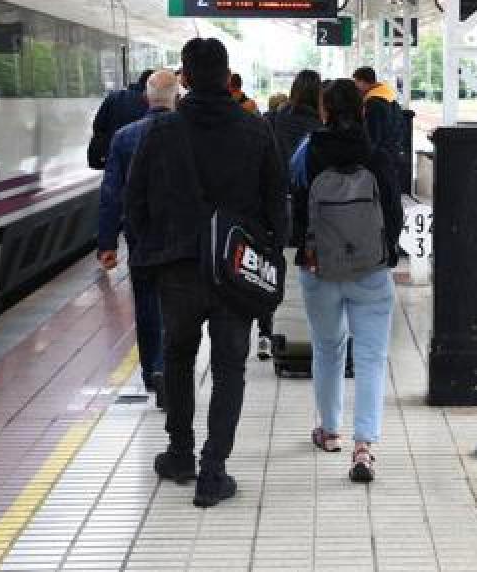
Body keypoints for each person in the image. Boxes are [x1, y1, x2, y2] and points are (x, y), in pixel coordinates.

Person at [125, 38, 287, 508]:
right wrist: (269, 256)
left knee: (177, 357)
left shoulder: (161, 131)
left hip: (177, 266)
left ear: (186, 78)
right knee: (229, 367)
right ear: (228, 75)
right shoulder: (255, 129)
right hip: (233, 267)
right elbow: (276, 201)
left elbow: (135, 199)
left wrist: (148, 252)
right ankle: (213, 471)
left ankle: (180, 454)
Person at [290, 78, 403, 484]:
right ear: (361, 110)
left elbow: (295, 206)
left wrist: (306, 250)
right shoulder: (377, 155)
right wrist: (382, 252)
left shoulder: (306, 152)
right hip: (370, 271)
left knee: (327, 348)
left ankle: (329, 430)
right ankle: (364, 446)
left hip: (319, 268)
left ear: (324, 111)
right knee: (370, 357)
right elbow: (394, 214)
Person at [98, 69, 179, 409]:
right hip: (180, 237)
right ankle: (173, 370)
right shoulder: (188, 133)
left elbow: (111, 194)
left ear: (146, 98)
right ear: (176, 98)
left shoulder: (124, 137)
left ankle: (153, 370)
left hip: (141, 236)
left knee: (146, 305)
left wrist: (107, 243)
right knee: (177, 304)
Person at [255, 69, 322, 361]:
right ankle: (307, 330)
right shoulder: (321, 127)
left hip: (275, 206)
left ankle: (265, 332)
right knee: (307, 269)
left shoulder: (272, 120)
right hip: (309, 209)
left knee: (270, 269)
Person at [351, 66, 406, 187]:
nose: (355, 87)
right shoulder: (390, 98)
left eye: (356, 82)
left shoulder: (373, 103)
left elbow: (373, 137)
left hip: (380, 159)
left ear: (362, 82)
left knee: (382, 191)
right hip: (393, 153)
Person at [88, 69, 153, 168]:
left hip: (111, 155)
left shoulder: (114, 96)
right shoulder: (149, 104)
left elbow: (98, 125)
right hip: (136, 161)